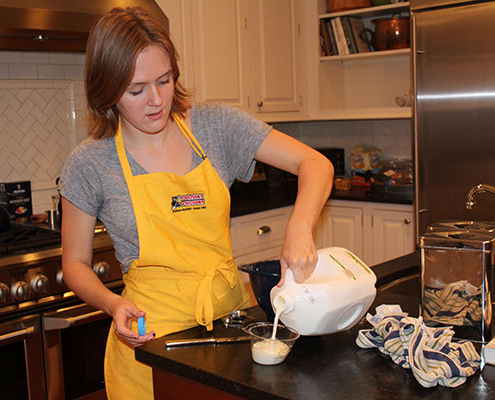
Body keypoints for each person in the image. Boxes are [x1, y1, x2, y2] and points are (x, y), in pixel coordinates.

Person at [58, 6, 333, 400]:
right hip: (149, 346)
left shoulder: (215, 126)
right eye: (136, 90)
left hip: (228, 332)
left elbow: (316, 165)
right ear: (107, 90)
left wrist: (300, 226)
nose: (155, 100)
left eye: (164, 81)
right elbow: (75, 265)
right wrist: (113, 303)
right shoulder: (89, 163)